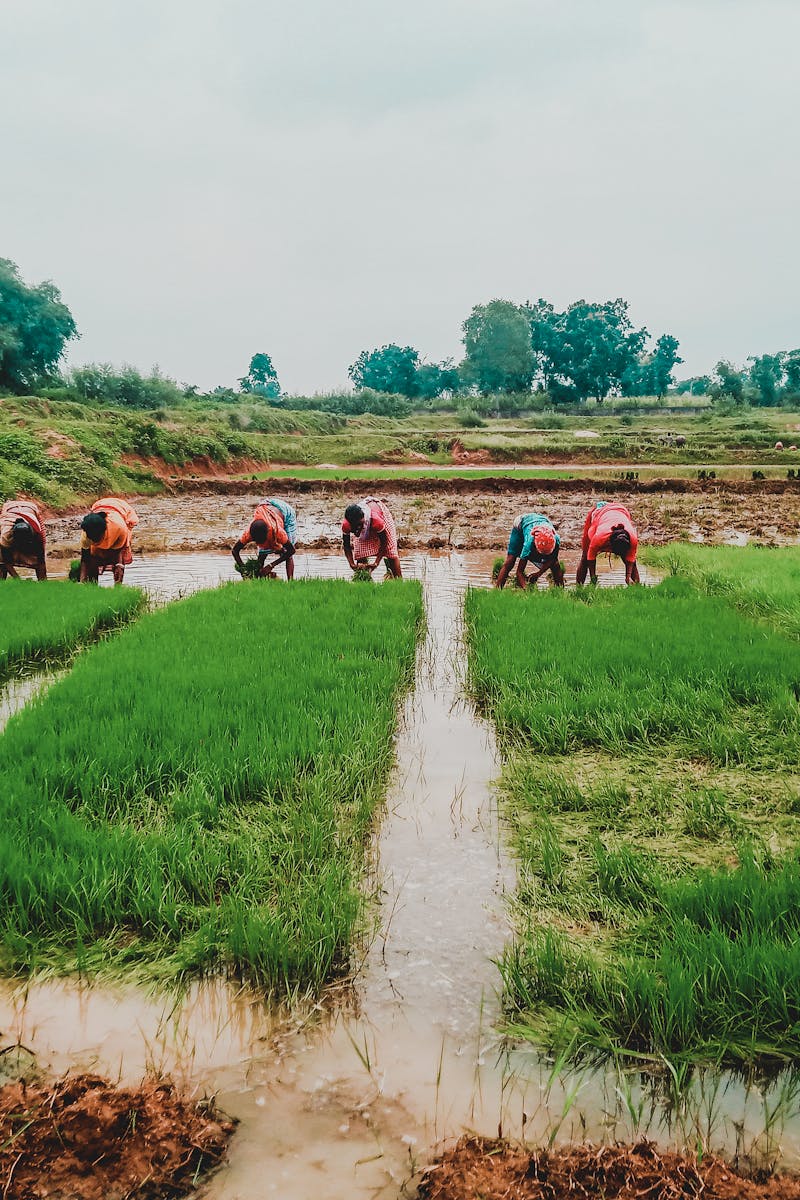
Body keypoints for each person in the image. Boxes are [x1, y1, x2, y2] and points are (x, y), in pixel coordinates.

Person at [575, 501, 640, 586]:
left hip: (620, 510)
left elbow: (630, 559)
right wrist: (593, 579)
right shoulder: (599, 537)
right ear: (609, 543)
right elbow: (590, 557)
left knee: (631, 563)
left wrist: (628, 577)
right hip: (600, 512)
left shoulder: (632, 539)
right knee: (584, 557)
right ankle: (579, 589)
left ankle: (637, 588)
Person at [495, 512, 564, 589]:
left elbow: (553, 559)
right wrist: (526, 589)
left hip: (541, 520)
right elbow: (519, 572)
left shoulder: (556, 539)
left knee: (556, 565)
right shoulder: (529, 543)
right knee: (510, 561)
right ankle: (497, 590)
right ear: (535, 547)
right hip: (521, 523)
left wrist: (538, 574)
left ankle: (560, 591)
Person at [232, 498, 297, 579]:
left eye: (262, 541)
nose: (260, 544)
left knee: (287, 554)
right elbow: (235, 550)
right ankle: (260, 578)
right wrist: (244, 570)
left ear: (267, 534)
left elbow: (291, 550)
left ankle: (291, 582)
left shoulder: (277, 531)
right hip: (267, 505)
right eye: (257, 542)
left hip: (286, 513)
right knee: (262, 553)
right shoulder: (248, 533)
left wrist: (271, 565)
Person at [79, 497, 139, 584]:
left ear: (104, 531)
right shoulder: (86, 534)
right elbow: (85, 558)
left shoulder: (119, 528)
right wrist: (82, 580)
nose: (95, 542)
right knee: (93, 558)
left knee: (117, 565)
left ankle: (118, 585)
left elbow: (118, 551)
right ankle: (92, 585)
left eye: (97, 539)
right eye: (92, 539)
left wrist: (119, 565)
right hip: (100, 505)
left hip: (121, 508)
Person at [342, 498, 402, 578]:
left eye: (360, 525)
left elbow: (384, 542)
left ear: (363, 519)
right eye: (356, 527)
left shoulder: (376, 521)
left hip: (380, 518)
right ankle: (363, 580)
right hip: (365, 524)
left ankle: (397, 579)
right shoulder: (346, 525)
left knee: (390, 552)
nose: (359, 528)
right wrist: (351, 564)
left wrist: (376, 562)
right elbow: (346, 546)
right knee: (360, 554)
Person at [0, 499, 47, 580]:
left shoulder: (37, 534)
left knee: (39, 563)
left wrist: (43, 582)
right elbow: (6, 561)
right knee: (1, 561)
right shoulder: (6, 536)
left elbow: (41, 561)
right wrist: (18, 580)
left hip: (31, 509)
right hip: (9, 509)